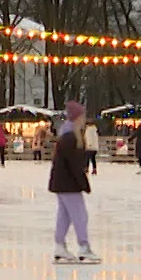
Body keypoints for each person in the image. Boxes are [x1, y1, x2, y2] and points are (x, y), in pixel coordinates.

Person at [50, 102, 99, 263]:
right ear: (78, 117)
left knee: (64, 215)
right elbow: (74, 165)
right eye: (83, 116)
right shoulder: (71, 137)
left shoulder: (68, 134)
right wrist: (84, 184)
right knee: (80, 215)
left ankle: (59, 245)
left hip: (61, 183)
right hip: (68, 184)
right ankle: (84, 247)